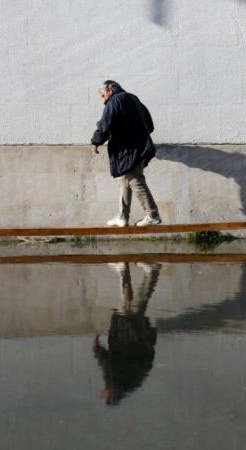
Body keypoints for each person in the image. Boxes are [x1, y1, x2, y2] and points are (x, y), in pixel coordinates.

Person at [91, 81, 162, 227]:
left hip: (129, 149)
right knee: (125, 180)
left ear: (110, 90)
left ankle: (152, 214)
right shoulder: (133, 98)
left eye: (103, 95)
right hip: (138, 147)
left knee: (135, 179)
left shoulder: (115, 100)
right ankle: (122, 217)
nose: (103, 99)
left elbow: (106, 123)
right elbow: (149, 124)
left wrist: (97, 140)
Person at [93, 262, 161, 405]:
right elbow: (107, 365)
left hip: (136, 340)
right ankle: (150, 272)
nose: (102, 393)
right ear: (111, 397)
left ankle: (125, 271)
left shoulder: (129, 384)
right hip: (128, 339)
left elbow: (147, 362)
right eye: (105, 396)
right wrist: (97, 349)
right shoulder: (116, 383)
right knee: (133, 308)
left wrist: (149, 338)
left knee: (129, 307)